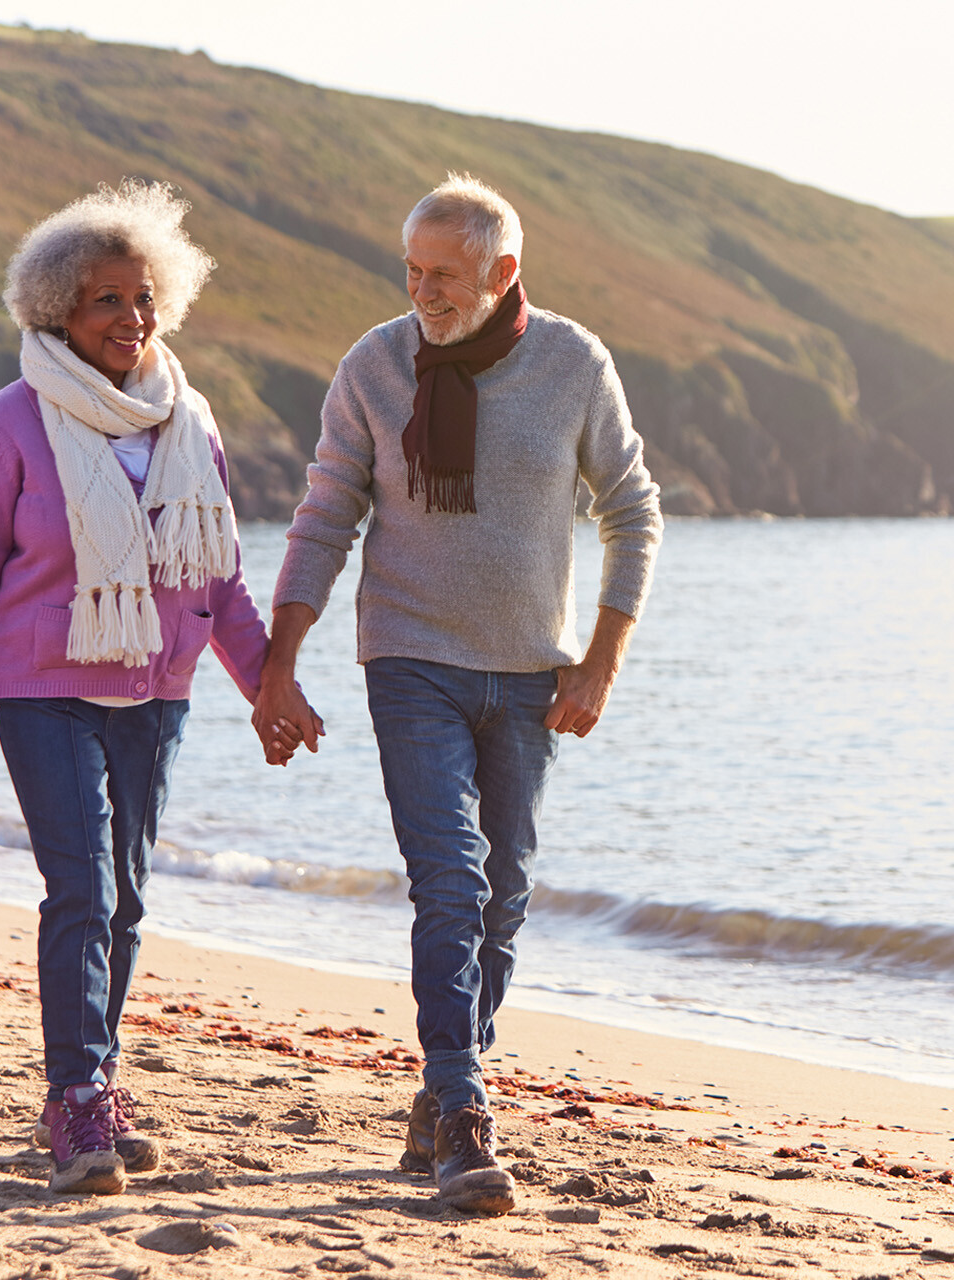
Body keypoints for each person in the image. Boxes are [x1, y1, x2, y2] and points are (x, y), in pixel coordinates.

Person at [253, 173, 662, 1215]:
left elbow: (632, 508)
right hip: (410, 660)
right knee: (451, 881)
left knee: (505, 895)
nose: (422, 291)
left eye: (445, 273)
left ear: (502, 271)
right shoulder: (374, 364)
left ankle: (440, 1090)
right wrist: (279, 660)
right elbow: (326, 512)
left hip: (531, 673)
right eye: (412, 270)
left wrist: (602, 660)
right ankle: (468, 1111)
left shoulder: (572, 362)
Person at [0, 180, 307, 1196]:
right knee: (82, 888)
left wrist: (268, 687)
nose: (131, 318)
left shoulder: (187, 420)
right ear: (58, 310)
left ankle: (98, 1084)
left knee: (125, 899)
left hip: (158, 692)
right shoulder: (10, 423)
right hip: (44, 691)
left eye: (143, 296)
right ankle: (74, 1096)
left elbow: (217, 579)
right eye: (105, 300)